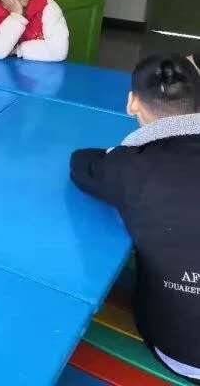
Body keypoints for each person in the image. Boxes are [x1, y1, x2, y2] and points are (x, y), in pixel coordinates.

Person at [70, 54, 200, 383]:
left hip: (183, 353)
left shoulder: (130, 166)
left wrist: (121, 153)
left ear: (132, 102)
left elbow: (81, 163)